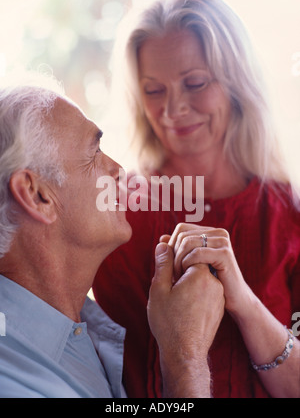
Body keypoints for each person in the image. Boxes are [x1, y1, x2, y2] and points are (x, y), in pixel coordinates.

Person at [93, 0, 300, 398]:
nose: (173, 110)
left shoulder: (288, 212)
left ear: (237, 81)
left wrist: (243, 302)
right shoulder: (115, 210)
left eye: (195, 83)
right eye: (153, 90)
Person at [0, 72, 225, 398]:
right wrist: (185, 360)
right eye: (93, 153)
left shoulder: (84, 328)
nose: (118, 169)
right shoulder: (11, 379)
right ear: (37, 196)